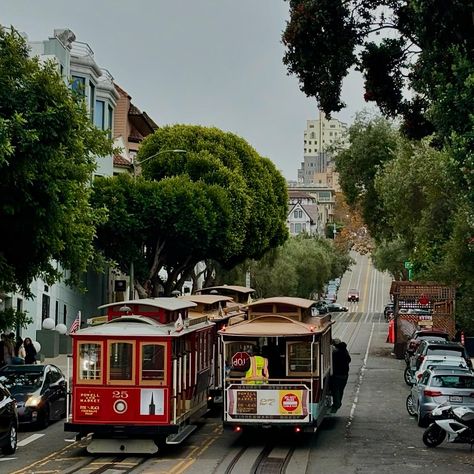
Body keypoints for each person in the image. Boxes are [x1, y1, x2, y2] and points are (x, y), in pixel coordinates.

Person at [330, 338, 351, 413]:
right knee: (341, 390)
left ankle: (336, 404)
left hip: (337, 375)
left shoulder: (335, 353)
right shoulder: (345, 351)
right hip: (345, 375)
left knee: (335, 390)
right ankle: (338, 404)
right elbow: (349, 360)